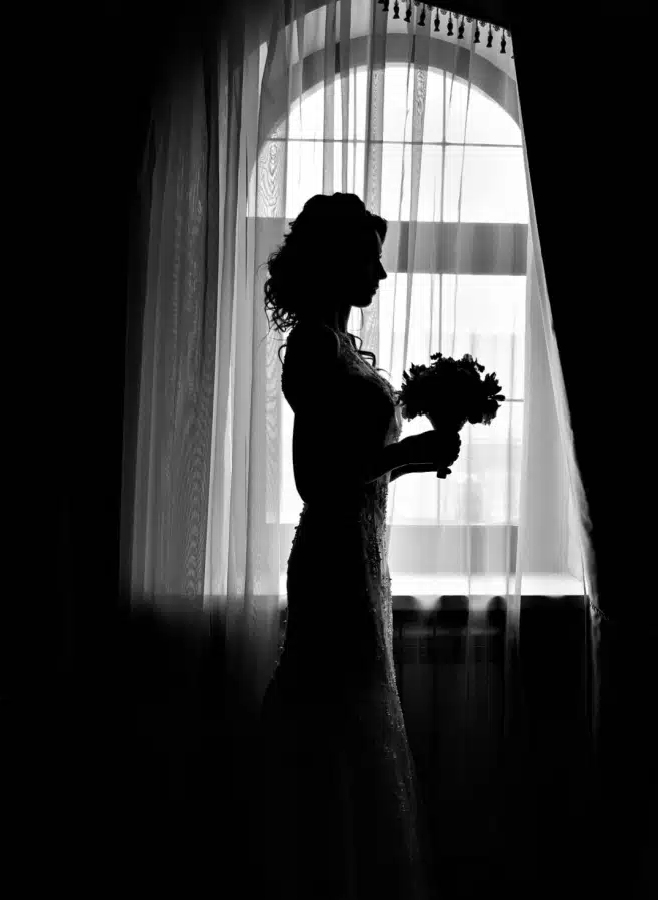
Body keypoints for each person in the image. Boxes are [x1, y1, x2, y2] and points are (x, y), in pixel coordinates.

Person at [254, 193, 457, 899]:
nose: (382, 274)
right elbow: (318, 482)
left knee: (357, 711)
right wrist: (407, 454)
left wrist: (411, 453)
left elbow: (352, 464)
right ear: (339, 261)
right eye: (371, 259)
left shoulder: (338, 345)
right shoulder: (313, 344)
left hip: (360, 560)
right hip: (333, 562)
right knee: (334, 715)